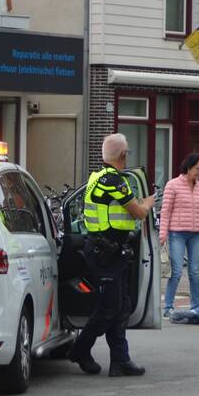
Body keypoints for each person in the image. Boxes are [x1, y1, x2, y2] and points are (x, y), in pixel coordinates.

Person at [67, 133, 155, 377]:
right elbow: (138, 213)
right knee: (110, 308)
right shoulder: (114, 181)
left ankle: (120, 360)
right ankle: (80, 350)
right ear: (123, 155)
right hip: (106, 252)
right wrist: (149, 201)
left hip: (110, 251)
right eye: (127, 154)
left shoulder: (98, 177)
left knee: (122, 305)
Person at [159, 152, 199, 317]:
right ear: (189, 167)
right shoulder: (172, 185)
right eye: (198, 169)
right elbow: (166, 211)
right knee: (176, 271)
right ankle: (168, 307)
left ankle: (196, 306)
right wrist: (163, 234)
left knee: (194, 271)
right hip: (176, 233)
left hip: (196, 234)